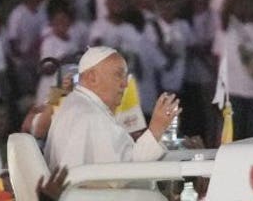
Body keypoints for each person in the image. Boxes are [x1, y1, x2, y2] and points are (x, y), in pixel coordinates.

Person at [44, 45, 180, 171]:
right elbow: (124, 172)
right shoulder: (91, 115)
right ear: (92, 77)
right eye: (119, 74)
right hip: (94, 196)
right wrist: (156, 129)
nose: (125, 84)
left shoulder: (78, 103)